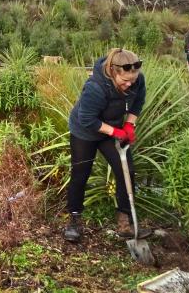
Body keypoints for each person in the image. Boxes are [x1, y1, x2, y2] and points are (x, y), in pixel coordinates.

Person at [63, 48, 151, 243]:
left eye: (132, 80)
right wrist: (116, 132)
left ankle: (125, 223)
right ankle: (74, 221)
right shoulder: (95, 87)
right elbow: (87, 119)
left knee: (126, 170)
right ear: (113, 73)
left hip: (111, 127)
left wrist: (129, 124)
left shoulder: (136, 80)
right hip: (85, 131)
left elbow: (138, 101)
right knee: (80, 173)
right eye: (124, 81)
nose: (129, 85)